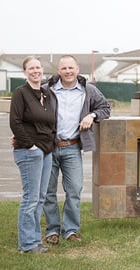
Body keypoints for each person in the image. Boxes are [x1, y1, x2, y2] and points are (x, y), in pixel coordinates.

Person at [43, 55, 110, 244]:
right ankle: (52, 231)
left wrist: (92, 115)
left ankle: (70, 230)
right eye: (64, 68)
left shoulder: (88, 90)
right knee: (48, 192)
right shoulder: (46, 90)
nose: (68, 71)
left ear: (77, 69)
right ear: (59, 71)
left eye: (71, 68)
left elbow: (105, 108)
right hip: (48, 148)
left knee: (74, 190)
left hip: (72, 148)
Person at [10, 56, 56, 254]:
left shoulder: (46, 93)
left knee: (40, 198)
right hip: (29, 152)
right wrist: (30, 146)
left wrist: (48, 146)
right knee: (30, 198)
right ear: (25, 72)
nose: (36, 71)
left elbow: (50, 122)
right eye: (31, 68)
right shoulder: (21, 93)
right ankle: (26, 245)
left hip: (46, 152)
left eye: (38, 67)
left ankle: (35, 241)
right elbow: (15, 122)